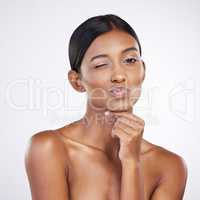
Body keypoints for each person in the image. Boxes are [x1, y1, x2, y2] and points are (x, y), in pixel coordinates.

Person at [24, 14, 188, 200]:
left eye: (130, 60)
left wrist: (131, 163)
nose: (119, 75)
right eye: (101, 64)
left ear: (143, 70)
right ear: (76, 81)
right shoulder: (49, 148)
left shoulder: (170, 167)